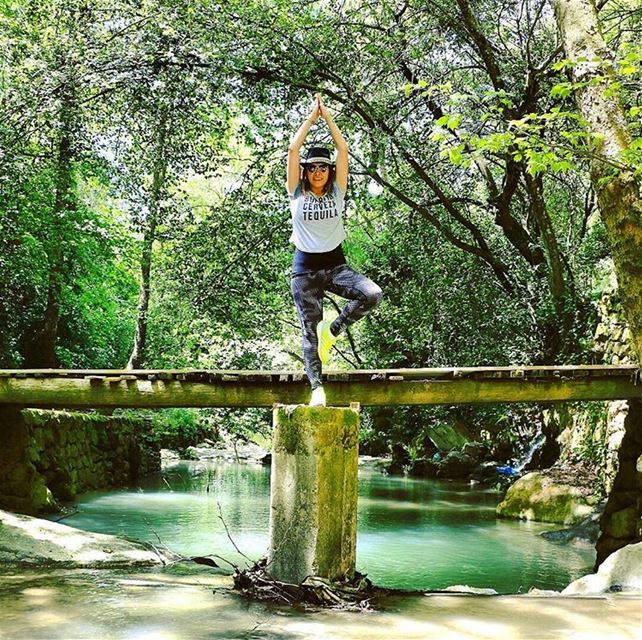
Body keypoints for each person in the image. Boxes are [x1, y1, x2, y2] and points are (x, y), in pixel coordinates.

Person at [287, 94, 383, 407]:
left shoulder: (338, 191)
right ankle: (317, 389)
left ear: (330, 171)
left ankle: (336, 328)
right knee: (309, 331)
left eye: (323, 167)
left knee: (372, 294)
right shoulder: (296, 192)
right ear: (305, 172)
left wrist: (327, 116)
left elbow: (343, 149)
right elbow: (292, 149)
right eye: (312, 167)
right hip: (304, 273)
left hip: (337, 267)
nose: (318, 171)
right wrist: (309, 120)